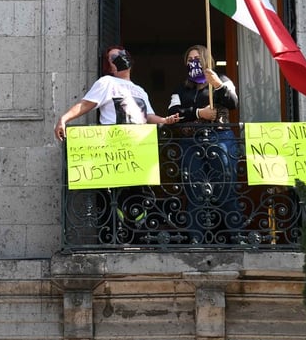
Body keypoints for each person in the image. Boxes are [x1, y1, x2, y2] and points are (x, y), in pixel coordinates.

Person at [54, 45, 179, 245]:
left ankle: (138, 239)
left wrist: (165, 120)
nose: (120, 59)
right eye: (114, 57)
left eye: (122, 55)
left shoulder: (139, 90)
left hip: (138, 151)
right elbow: (86, 104)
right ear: (109, 66)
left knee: (137, 195)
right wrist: (64, 118)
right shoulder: (106, 82)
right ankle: (113, 240)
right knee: (114, 196)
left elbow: (147, 116)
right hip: (114, 153)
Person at [167, 44, 243, 245]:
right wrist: (199, 113)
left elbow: (233, 102)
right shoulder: (181, 89)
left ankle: (237, 238)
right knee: (194, 192)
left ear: (206, 60)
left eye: (197, 58)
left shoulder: (223, 80)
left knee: (226, 189)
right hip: (191, 143)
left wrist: (218, 85)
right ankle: (196, 241)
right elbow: (174, 114)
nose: (194, 63)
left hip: (221, 139)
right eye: (190, 60)